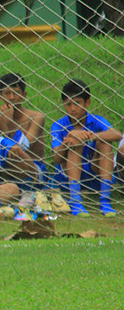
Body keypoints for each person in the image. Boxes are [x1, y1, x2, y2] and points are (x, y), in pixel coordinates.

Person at [0, 72, 50, 209]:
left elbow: (23, 147)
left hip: (32, 172)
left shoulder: (36, 117)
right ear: (0, 96)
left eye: (16, 93)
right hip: (5, 170)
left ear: (24, 95)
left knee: (15, 152)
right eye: (7, 93)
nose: (12, 97)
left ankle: (28, 192)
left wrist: (8, 123)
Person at [51, 79, 121, 216]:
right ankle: (76, 201)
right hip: (68, 175)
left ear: (87, 103)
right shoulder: (58, 125)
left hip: (93, 173)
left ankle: (105, 201)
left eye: (77, 103)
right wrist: (69, 140)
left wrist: (90, 136)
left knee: (104, 142)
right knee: (74, 142)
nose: (72, 108)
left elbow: (117, 134)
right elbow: (56, 159)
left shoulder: (96, 120)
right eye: (68, 104)